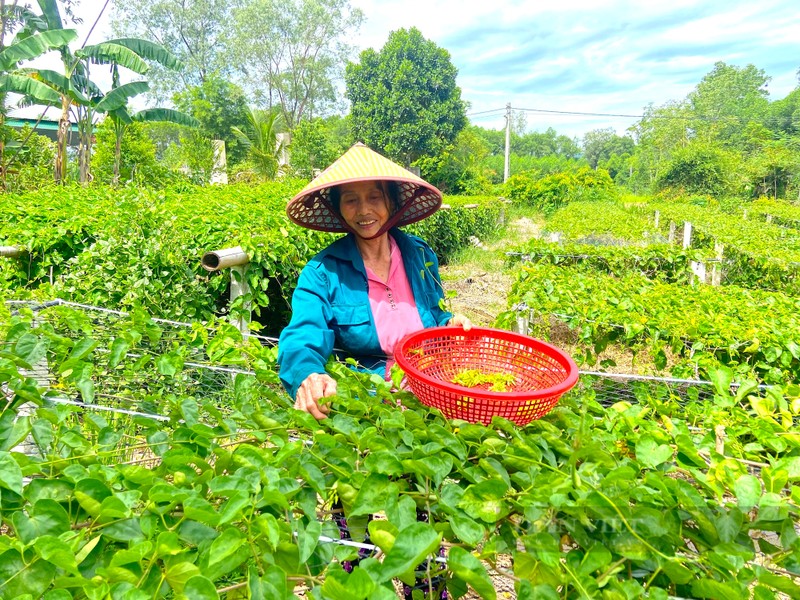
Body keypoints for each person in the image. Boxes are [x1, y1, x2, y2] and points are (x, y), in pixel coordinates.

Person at [278, 142, 471, 417]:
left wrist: (449, 323)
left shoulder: (419, 255)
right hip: (371, 401)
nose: (363, 210)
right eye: (351, 200)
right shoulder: (322, 272)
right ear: (339, 209)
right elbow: (302, 333)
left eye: (375, 198)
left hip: (434, 387)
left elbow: (435, 313)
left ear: (391, 203)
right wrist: (308, 373)